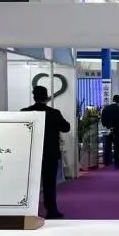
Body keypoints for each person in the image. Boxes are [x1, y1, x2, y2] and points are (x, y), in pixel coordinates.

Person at [21, 85, 71, 219]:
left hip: (31, 154)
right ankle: (51, 210)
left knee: (30, 184)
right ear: (46, 97)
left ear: (34, 97)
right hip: (50, 153)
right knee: (49, 183)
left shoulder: (25, 112)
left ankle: (29, 211)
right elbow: (66, 127)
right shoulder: (53, 113)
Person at [100, 94, 119, 169]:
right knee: (118, 146)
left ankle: (106, 161)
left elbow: (102, 120)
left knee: (107, 146)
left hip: (107, 130)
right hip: (118, 131)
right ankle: (118, 162)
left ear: (113, 99)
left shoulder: (106, 108)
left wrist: (106, 126)